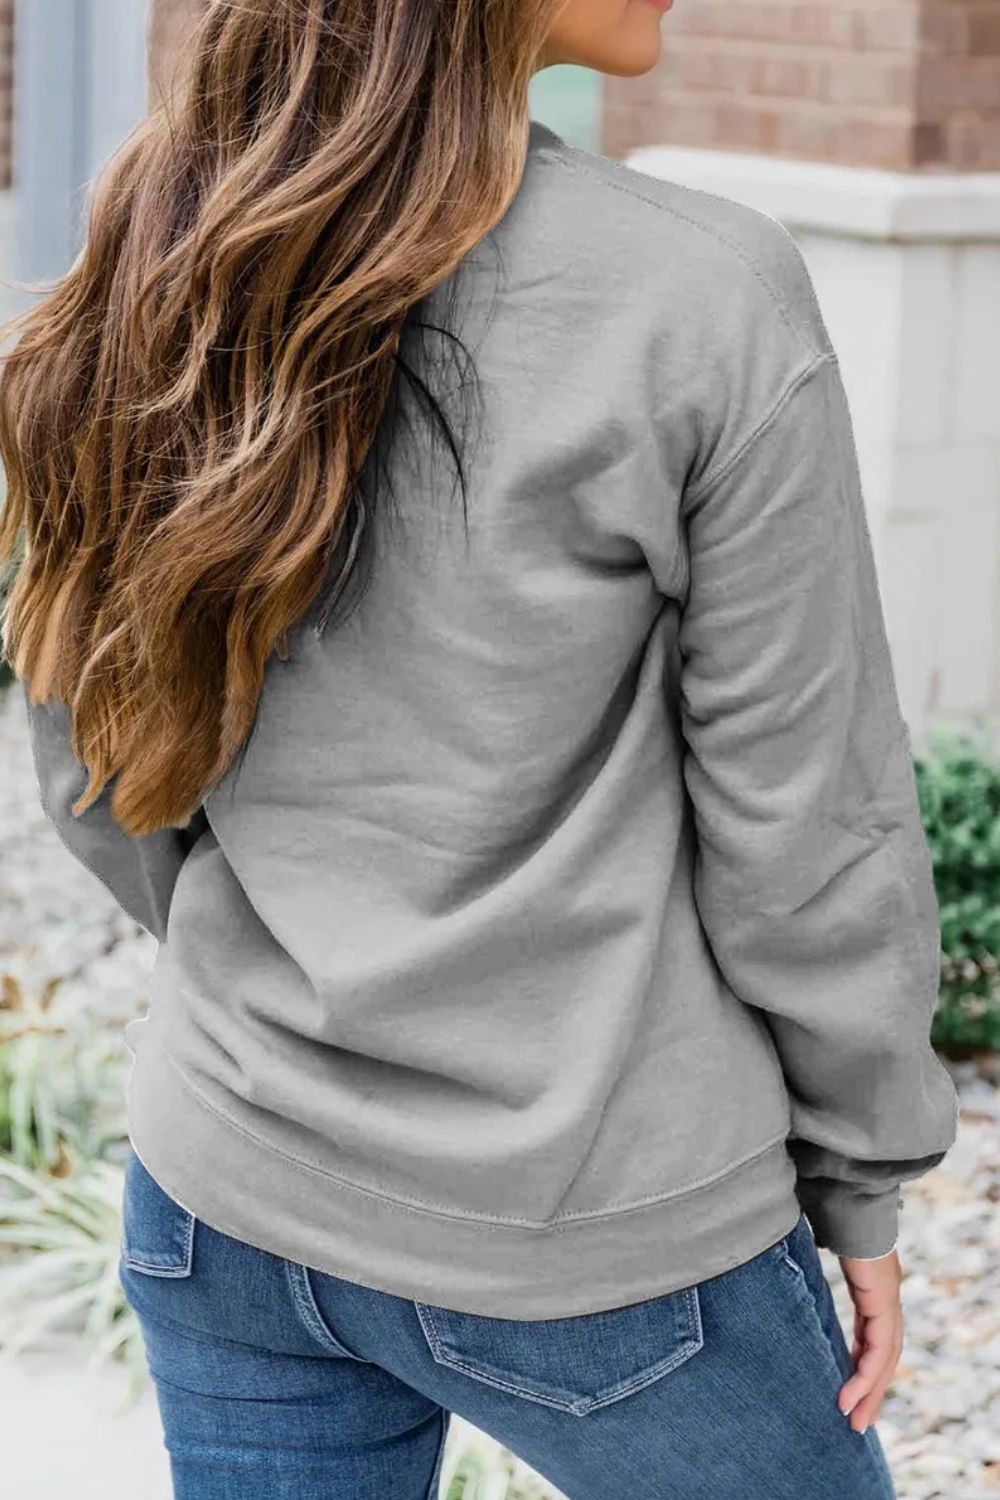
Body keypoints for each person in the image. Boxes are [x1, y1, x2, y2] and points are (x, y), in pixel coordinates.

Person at [0, 2, 960, 1496]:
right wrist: (863, 1180)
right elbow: (806, 832)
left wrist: (274, 963)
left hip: (227, 1198)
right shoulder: (701, 295)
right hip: (600, 1244)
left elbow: (97, 751)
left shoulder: (168, 237)